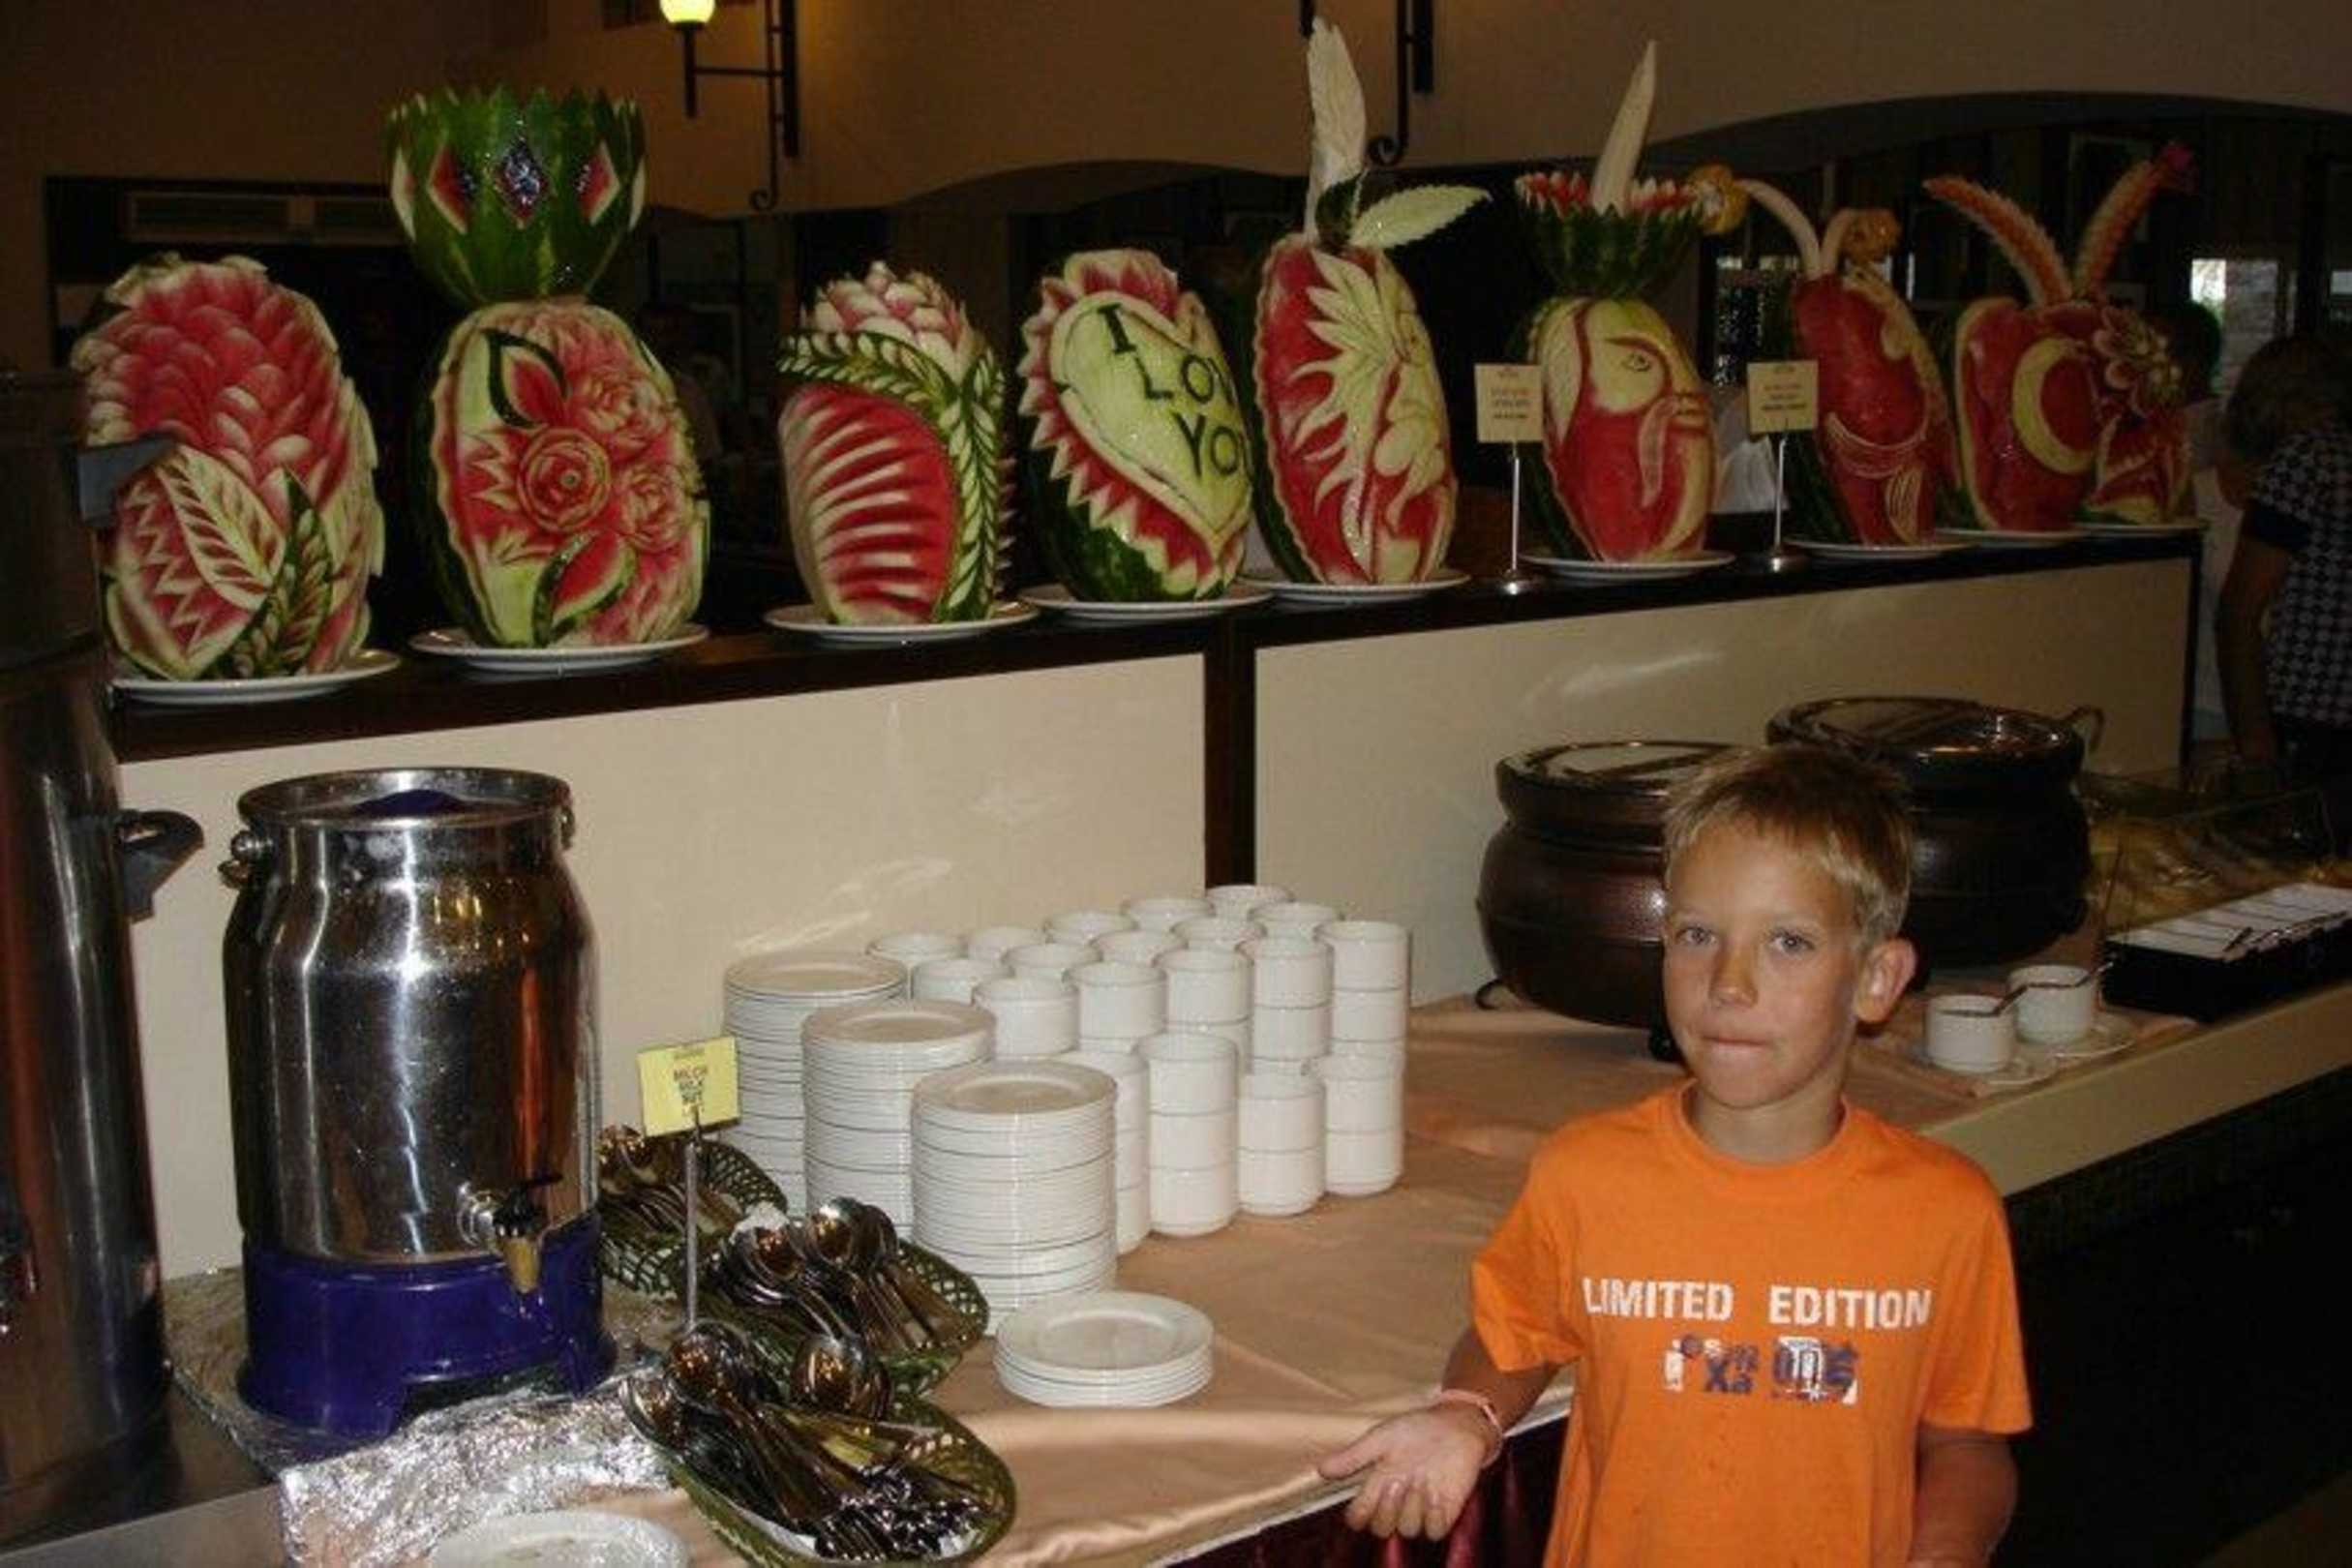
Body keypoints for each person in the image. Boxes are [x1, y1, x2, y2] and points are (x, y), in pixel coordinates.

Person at [1316, 744, 2030, 1565]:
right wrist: (1465, 1414)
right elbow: (1512, 1337)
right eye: (1697, 935)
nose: (1729, 982)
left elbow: (1968, 1443)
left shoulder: (1945, 1211)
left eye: (1788, 943)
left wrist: (1946, 1551)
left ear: (1877, 978)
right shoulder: (1587, 1174)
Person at [2214, 333, 2352, 784]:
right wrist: (2258, 751)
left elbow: (2237, 612)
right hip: (2312, 723)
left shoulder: (2310, 458)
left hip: (2311, 714)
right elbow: (2239, 612)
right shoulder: (2312, 458)